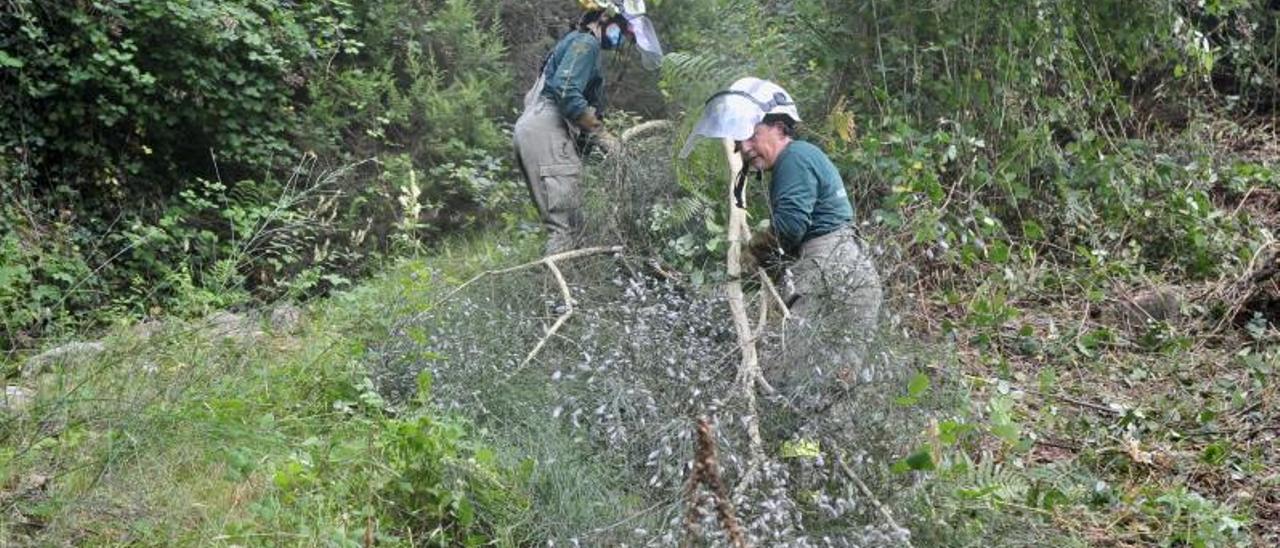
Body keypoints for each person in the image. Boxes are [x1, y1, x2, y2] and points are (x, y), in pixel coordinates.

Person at [681, 78, 883, 397]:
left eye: (751, 136)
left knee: (785, 370)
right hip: (853, 273)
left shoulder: (795, 158)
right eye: (738, 142)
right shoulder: (804, 157)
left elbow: (789, 228)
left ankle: (791, 444)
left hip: (829, 268)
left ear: (778, 127)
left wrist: (752, 253)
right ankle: (825, 446)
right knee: (836, 382)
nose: (744, 148)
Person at [513, 0, 661, 256]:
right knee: (566, 228)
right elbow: (567, 92)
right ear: (605, 17)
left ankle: (566, 287)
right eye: (623, 28)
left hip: (540, 130)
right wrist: (602, 134)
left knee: (575, 225)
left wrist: (600, 149)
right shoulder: (586, 43)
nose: (624, 37)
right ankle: (556, 292)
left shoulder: (576, 43)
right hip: (547, 129)